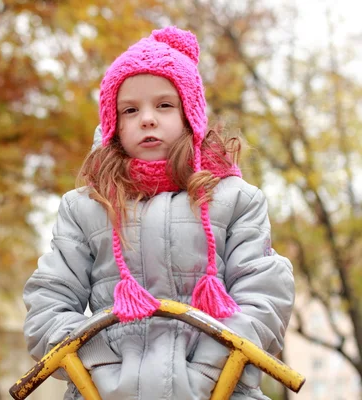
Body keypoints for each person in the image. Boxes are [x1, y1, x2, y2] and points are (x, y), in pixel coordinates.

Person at [23, 26, 294, 400]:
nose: (147, 118)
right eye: (130, 109)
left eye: (164, 105)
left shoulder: (233, 199)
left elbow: (264, 295)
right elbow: (49, 302)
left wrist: (210, 370)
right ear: (114, 123)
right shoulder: (87, 206)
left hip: (221, 389)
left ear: (189, 114)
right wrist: (98, 369)